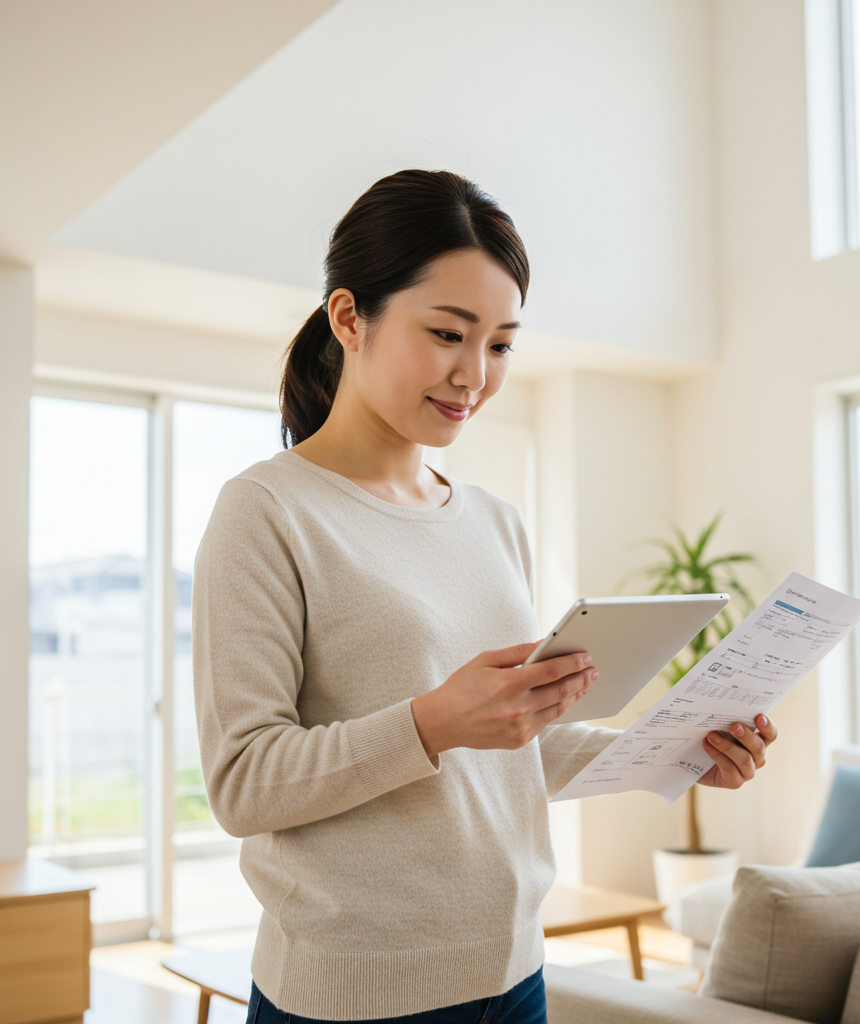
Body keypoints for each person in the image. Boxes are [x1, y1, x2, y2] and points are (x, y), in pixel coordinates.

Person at [193, 169, 778, 1024]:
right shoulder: (268, 511)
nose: (474, 375)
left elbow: (509, 747)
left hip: (515, 977)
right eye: (447, 334)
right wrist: (432, 722)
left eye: (501, 345)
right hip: (353, 997)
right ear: (349, 318)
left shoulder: (495, 522)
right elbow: (242, 784)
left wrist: (678, 749)